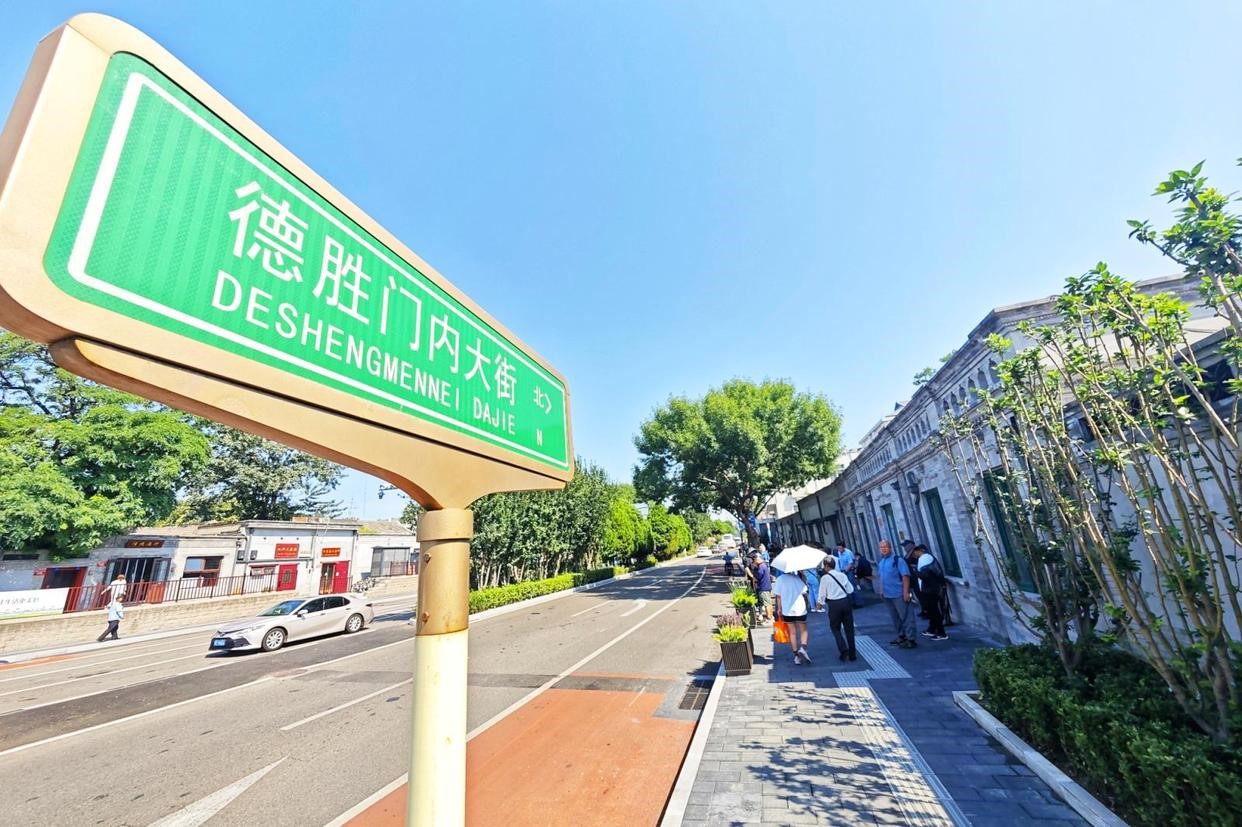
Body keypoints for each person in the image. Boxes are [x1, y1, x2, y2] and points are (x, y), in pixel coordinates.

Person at [874, 540, 917, 648]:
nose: (883, 549)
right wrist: (881, 591)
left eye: (885, 547)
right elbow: (881, 578)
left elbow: (905, 576)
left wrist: (906, 592)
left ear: (890, 548)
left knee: (906, 616)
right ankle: (901, 636)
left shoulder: (898, 560)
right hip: (887, 595)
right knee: (895, 618)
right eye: (881, 547)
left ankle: (911, 639)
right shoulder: (881, 562)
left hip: (899, 594)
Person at [816, 555, 856, 661]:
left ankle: (843, 650)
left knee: (835, 628)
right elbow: (850, 589)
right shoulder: (842, 575)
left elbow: (822, 594)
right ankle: (853, 654)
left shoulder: (824, 578)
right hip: (845, 602)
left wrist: (819, 604)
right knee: (849, 629)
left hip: (833, 605)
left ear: (826, 566)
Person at [773, 568, 812, 664]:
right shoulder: (797, 578)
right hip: (800, 609)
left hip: (787, 610)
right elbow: (805, 591)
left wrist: (779, 608)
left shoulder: (780, 579)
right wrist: (803, 576)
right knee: (803, 630)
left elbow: (778, 596)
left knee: (792, 632)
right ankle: (803, 648)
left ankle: (796, 656)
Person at [913, 544, 949, 640]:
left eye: (915, 552)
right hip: (929, 588)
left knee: (934, 611)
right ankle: (932, 629)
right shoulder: (926, 558)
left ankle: (941, 633)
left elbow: (925, 575)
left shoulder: (925, 558)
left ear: (920, 550)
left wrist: (915, 571)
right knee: (931, 611)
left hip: (931, 589)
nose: (914, 554)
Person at [900, 540, 924, 617]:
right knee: (918, 596)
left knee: (922, 596)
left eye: (905, 546)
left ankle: (926, 611)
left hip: (919, 579)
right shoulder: (907, 556)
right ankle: (923, 610)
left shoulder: (915, 555)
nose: (904, 548)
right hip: (913, 580)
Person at [835, 541, 862, 607]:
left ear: (844, 547)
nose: (839, 550)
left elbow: (851, 563)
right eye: (838, 548)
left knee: (852, 586)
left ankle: (858, 603)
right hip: (843, 571)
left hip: (849, 571)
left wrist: (845, 571)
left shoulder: (848, 553)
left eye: (840, 548)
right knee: (847, 587)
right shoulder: (839, 552)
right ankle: (852, 602)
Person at [751, 552, 774, 624]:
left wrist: (754, 569)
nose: (754, 562)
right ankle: (770, 617)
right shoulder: (763, 565)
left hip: (764, 587)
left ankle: (769, 618)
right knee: (768, 602)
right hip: (766, 586)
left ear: (756, 559)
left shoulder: (761, 566)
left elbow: (758, 576)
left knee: (767, 603)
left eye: (754, 560)